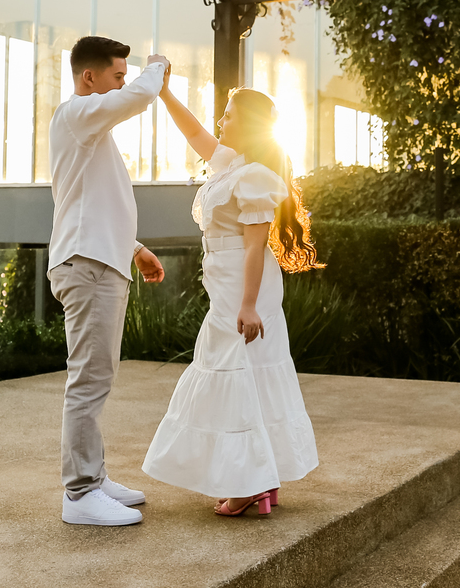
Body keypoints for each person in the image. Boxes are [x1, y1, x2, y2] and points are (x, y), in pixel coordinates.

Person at [142, 79, 321, 517]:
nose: (220, 121)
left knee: (235, 369)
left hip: (245, 284)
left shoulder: (255, 176)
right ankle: (263, 478)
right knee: (245, 371)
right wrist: (164, 92)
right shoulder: (229, 164)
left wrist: (248, 305)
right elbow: (193, 131)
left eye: (228, 115)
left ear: (249, 125)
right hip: (224, 280)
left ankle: (248, 485)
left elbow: (256, 247)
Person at [48, 35, 169, 527]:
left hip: (100, 260)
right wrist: (157, 67)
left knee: (97, 377)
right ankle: (79, 494)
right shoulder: (76, 113)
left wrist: (134, 248)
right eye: (117, 75)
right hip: (88, 265)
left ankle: (93, 480)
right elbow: (139, 96)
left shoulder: (88, 128)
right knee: (89, 379)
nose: (123, 84)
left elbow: (92, 201)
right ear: (89, 77)